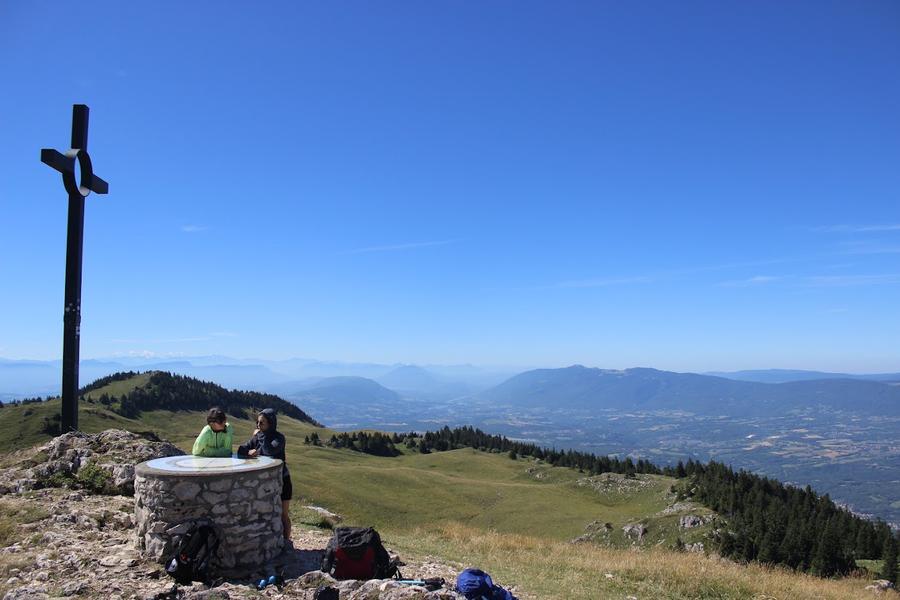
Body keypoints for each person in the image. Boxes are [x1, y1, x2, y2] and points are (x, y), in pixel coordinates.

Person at [238, 408, 292, 540]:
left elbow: (270, 450)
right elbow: (240, 449)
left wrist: (260, 436)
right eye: (257, 422)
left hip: (282, 480)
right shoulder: (258, 437)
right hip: (264, 483)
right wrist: (248, 452)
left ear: (271, 423)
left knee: (283, 515)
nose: (258, 426)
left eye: (262, 423)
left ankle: (286, 542)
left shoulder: (279, 438)